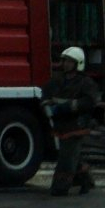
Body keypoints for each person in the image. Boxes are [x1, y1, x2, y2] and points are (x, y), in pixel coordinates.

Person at [41, 46, 100, 196]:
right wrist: (47, 105)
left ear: (78, 63)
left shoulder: (85, 82)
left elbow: (89, 102)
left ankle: (60, 187)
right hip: (61, 125)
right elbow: (46, 94)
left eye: (69, 62)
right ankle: (85, 180)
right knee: (73, 156)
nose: (66, 64)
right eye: (65, 61)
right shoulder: (58, 80)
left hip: (76, 125)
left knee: (66, 159)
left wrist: (68, 107)